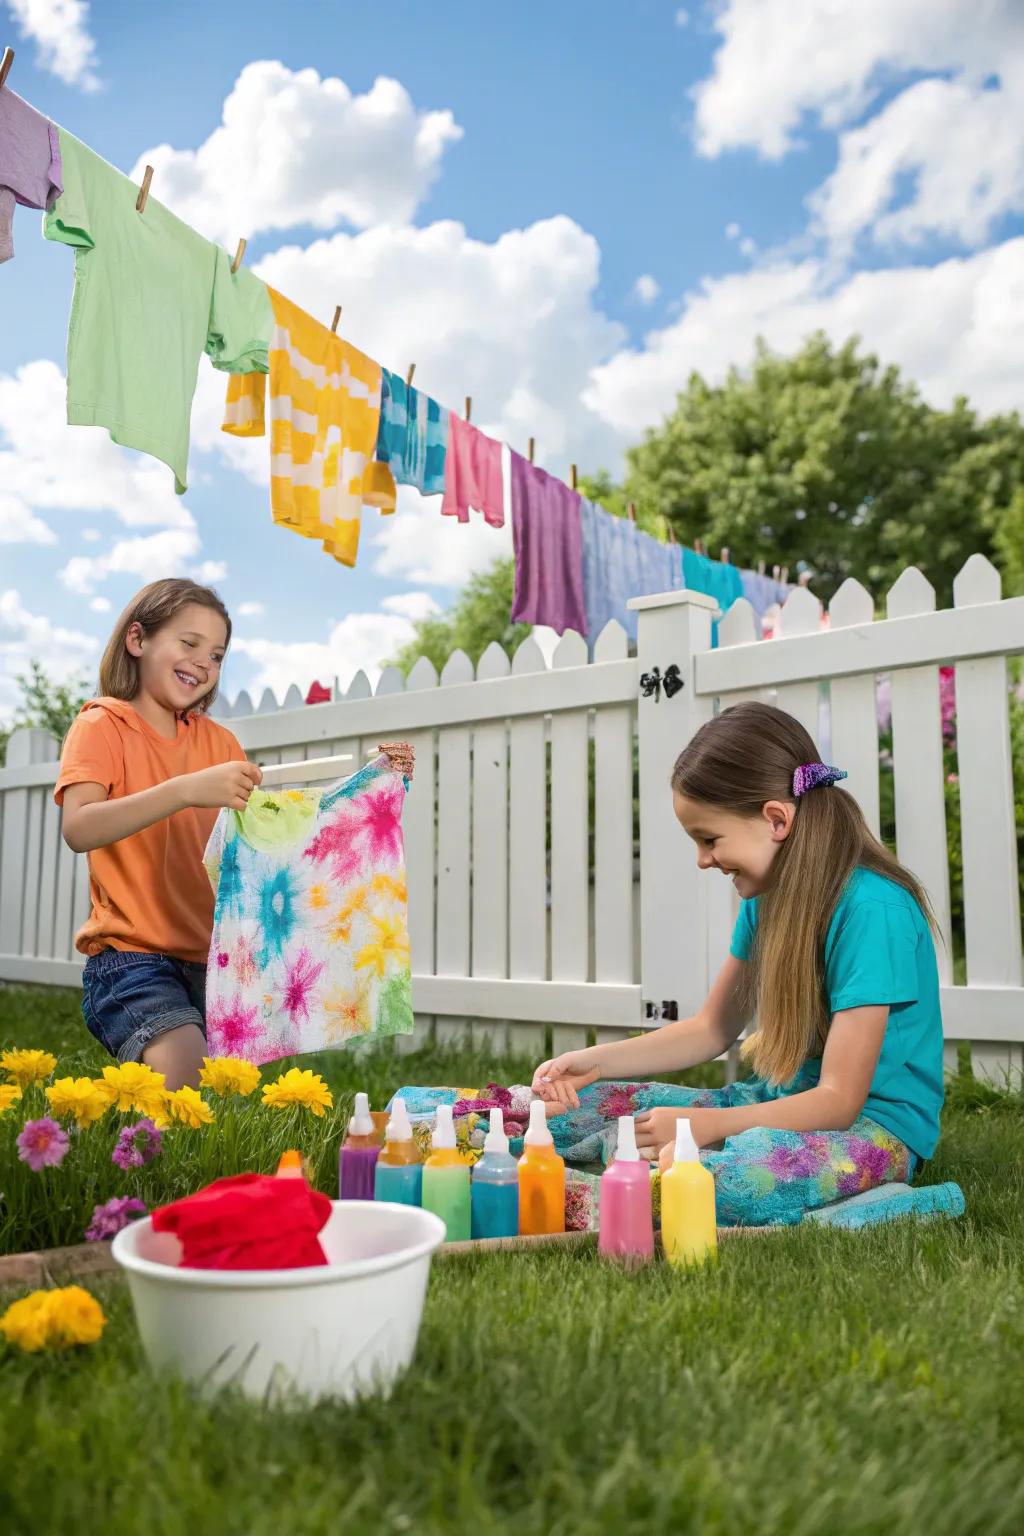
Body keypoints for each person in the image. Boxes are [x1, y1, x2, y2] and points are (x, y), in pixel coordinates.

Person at [531, 701, 944, 1226]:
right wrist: (598, 1062)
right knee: (576, 1109)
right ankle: (478, 1131)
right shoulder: (766, 898)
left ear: (776, 818)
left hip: (870, 1131)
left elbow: (839, 1102)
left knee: (733, 1183)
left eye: (709, 839)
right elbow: (710, 1029)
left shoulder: (873, 910)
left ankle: (581, 1189)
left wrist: (710, 1126)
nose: (703, 860)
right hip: (775, 1105)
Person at [56, 578, 414, 1090]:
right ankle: (134, 1157)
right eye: (189, 643)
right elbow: (79, 827)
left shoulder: (221, 743)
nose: (204, 663)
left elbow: (279, 836)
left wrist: (373, 787)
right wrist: (185, 790)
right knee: (185, 1078)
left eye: (218, 655)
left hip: (216, 963)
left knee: (224, 1101)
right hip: (130, 960)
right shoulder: (102, 724)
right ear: (138, 640)